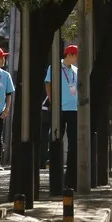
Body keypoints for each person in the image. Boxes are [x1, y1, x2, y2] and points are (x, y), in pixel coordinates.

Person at [45, 44, 80, 188]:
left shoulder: (76, 71)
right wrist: (53, 100)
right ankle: (55, 171)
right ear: (70, 55)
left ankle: (71, 175)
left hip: (74, 109)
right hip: (61, 109)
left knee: (73, 142)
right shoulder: (55, 67)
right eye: (76, 56)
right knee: (56, 138)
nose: (77, 59)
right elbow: (48, 83)